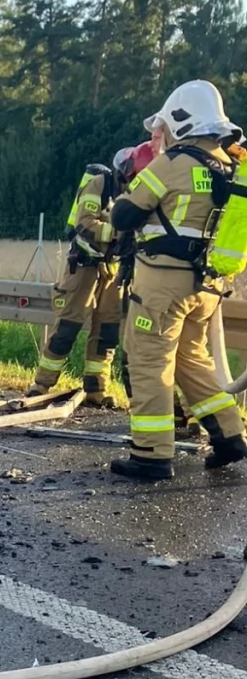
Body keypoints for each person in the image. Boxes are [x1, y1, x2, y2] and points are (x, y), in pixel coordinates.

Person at [108, 79, 247, 480]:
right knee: (191, 358)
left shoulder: (172, 164)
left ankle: (151, 454)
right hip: (207, 287)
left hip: (163, 286)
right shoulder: (229, 166)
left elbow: (125, 216)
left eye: (164, 127)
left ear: (181, 123)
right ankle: (230, 436)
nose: (160, 135)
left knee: (149, 358)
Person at [28, 144, 153, 407]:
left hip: (115, 270)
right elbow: (85, 223)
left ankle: (96, 391)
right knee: (68, 329)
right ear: (125, 171)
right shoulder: (99, 184)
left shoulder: (140, 191)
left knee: (107, 333)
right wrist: (121, 234)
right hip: (84, 266)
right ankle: (40, 386)